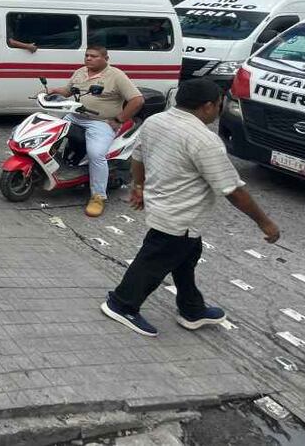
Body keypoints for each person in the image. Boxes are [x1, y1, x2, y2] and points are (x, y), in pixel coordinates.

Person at [100, 78, 281, 338]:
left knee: (186, 258)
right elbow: (232, 189)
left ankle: (192, 310)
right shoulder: (203, 140)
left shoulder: (155, 121)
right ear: (208, 106)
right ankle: (121, 304)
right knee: (153, 262)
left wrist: (138, 187)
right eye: (219, 105)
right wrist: (265, 222)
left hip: (164, 207)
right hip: (180, 218)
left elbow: (138, 156)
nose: (218, 110)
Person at [46, 45, 144, 217]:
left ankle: (98, 196)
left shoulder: (116, 75)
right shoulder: (81, 72)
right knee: (48, 133)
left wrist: (118, 119)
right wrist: (55, 91)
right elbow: (68, 91)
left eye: (93, 56)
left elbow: (137, 100)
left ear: (106, 59)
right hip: (75, 116)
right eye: (87, 55)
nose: (88, 58)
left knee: (96, 155)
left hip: (100, 123)